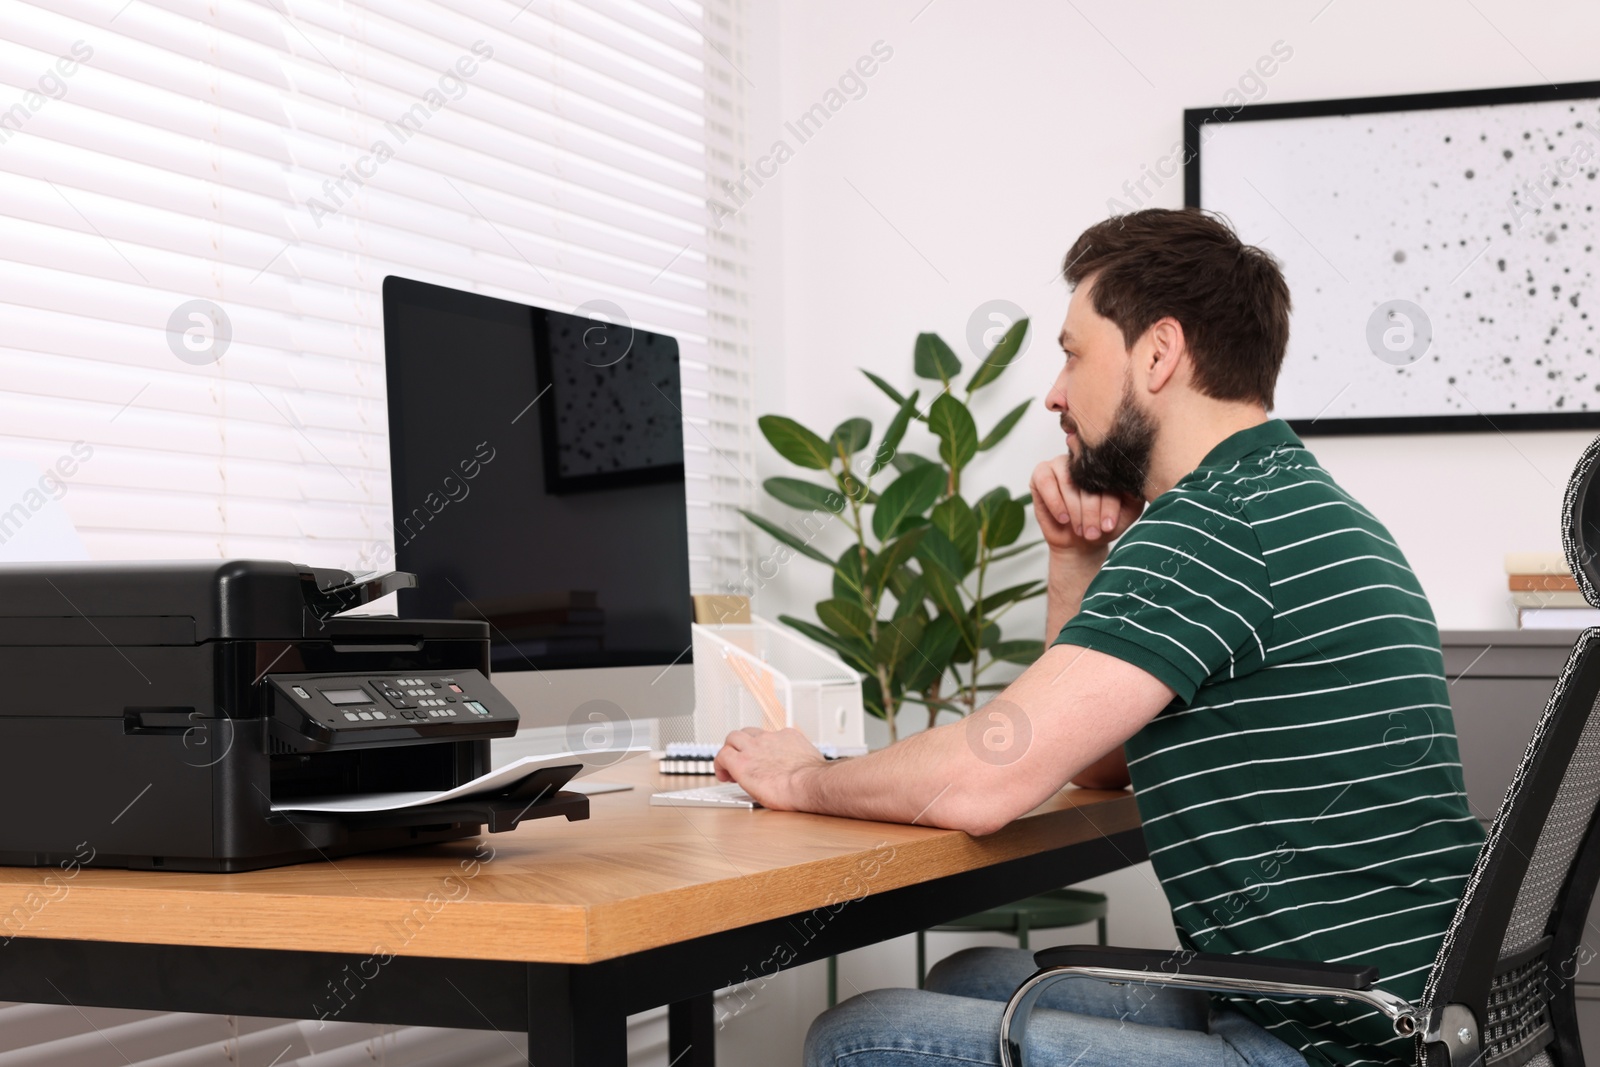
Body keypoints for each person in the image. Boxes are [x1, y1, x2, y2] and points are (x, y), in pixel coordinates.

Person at [714, 207, 1484, 1067]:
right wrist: (1076, 557)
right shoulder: (1290, 499)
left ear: (1157, 354)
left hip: (1326, 1040)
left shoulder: (1211, 529)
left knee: (857, 1037)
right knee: (976, 973)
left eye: (1073, 353)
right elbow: (1101, 760)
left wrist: (804, 777)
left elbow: (979, 784)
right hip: (1380, 1008)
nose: (1053, 393)